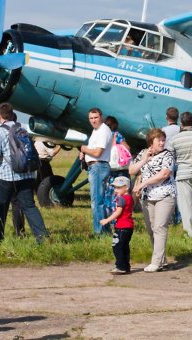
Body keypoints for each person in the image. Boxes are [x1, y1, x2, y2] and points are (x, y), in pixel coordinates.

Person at [0, 103, 48, 243]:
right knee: (29, 206)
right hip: (26, 174)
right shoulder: (23, 128)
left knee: (0, 207)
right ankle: (42, 236)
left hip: (6, 176)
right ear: (12, 114)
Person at [129, 128, 176, 272]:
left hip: (165, 195)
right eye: (159, 140)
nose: (162, 143)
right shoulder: (144, 153)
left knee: (159, 228)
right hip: (148, 197)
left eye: (163, 140)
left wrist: (143, 183)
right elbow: (131, 171)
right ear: (151, 142)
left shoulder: (168, 155)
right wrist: (144, 159)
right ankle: (162, 259)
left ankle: (156, 262)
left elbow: (164, 174)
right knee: (151, 230)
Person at [78, 107, 113, 236]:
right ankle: (105, 230)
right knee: (99, 201)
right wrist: (84, 153)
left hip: (99, 167)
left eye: (95, 117)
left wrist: (83, 148)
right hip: (95, 166)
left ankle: (99, 232)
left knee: (96, 202)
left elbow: (98, 152)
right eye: (91, 118)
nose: (93, 120)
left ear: (101, 117)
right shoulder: (96, 130)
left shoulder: (103, 130)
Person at [99, 176, 134, 274]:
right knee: (124, 247)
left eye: (118, 187)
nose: (115, 190)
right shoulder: (129, 198)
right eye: (115, 187)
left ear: (126, 187)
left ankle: (120, 266)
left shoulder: (121, 199)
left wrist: (107, 220)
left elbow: (118, 212)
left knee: (117, 246)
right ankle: (126, 266)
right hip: (129, 227)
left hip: (122, 227)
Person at [104, 116, 131, 217]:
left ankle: (108, 215)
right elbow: (127, 147)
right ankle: (118, 215)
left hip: (108, 169)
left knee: (109, 193)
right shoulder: (117, 135)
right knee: (119, 193)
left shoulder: (103, 136)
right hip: (119, 170)